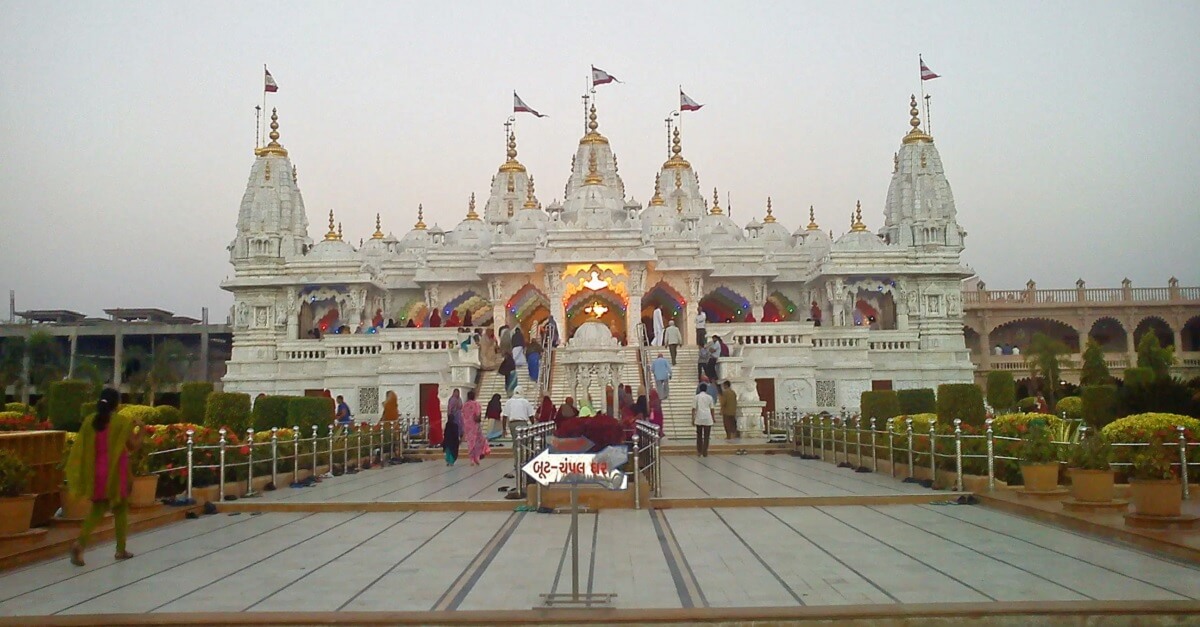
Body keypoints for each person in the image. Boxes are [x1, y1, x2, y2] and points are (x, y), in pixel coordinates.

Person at [66, 387, 142, 566]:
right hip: (116, 473)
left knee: (97, 511)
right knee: (121, 510)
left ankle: (80, 543)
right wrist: (141, 428)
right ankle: (120, 549)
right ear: (117, 404)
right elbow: (133, 445)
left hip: (96, 473)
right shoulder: (121, 422)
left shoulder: (90, 421)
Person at [461, 391, 487, 465]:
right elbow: (478, 414)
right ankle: (477, 457)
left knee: (470, 442)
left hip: (467, 426)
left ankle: (471, 459)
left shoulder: (465, 405)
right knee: (477, 442)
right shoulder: (476, 404)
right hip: (475, 426)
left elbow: (463, 415)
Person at [692, 384, 715, 457]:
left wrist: (693, 418)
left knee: (699, 435)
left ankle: (699, 451)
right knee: (706, 436)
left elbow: (693, 408)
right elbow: (712, 409)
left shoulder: (696, 397)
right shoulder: (709, 397)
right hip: (708, 418)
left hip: (699, 417)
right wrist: (713, 418)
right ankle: (705, 451)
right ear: (706, 389)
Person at [444, 389, 463, 465]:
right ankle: (450, 460)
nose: (457, 394)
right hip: (453, 417)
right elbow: (449, 408)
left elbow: (461, 407)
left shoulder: (459, 399)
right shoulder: (452, 400)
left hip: (457, 417)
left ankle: (449, 460)